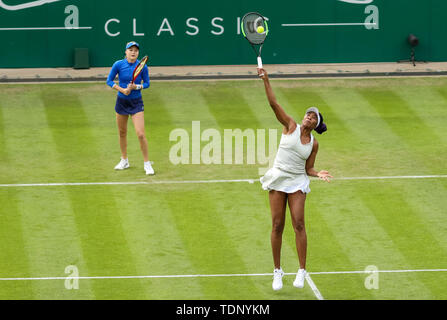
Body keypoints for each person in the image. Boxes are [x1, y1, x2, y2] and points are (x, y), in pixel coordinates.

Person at [257, 68, 332, 291]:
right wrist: (266, 80)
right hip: (279, 177)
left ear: (316, 125)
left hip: (298, 181)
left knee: (299, 223)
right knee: (277, 225)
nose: (309, 116)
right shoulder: (290, 126)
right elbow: (274, 104)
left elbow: (308, 168)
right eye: (308, 114)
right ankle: (277, 271)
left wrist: (318, 173)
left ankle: (301, 270)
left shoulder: (313, 144)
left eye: (313, 116)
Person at [106, 41, 154, 175]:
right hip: (121, 102)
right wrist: (122, 89)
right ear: (125, 52)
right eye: (130, 50)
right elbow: (109, 81)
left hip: (136, 103)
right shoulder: (118, 65)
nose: (133, 52)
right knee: (122, 133)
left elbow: (147, 84)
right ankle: (124, 160)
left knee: (140, 134)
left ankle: (147, 163)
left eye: (136, 50)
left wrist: (136, 87)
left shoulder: (142, 66)